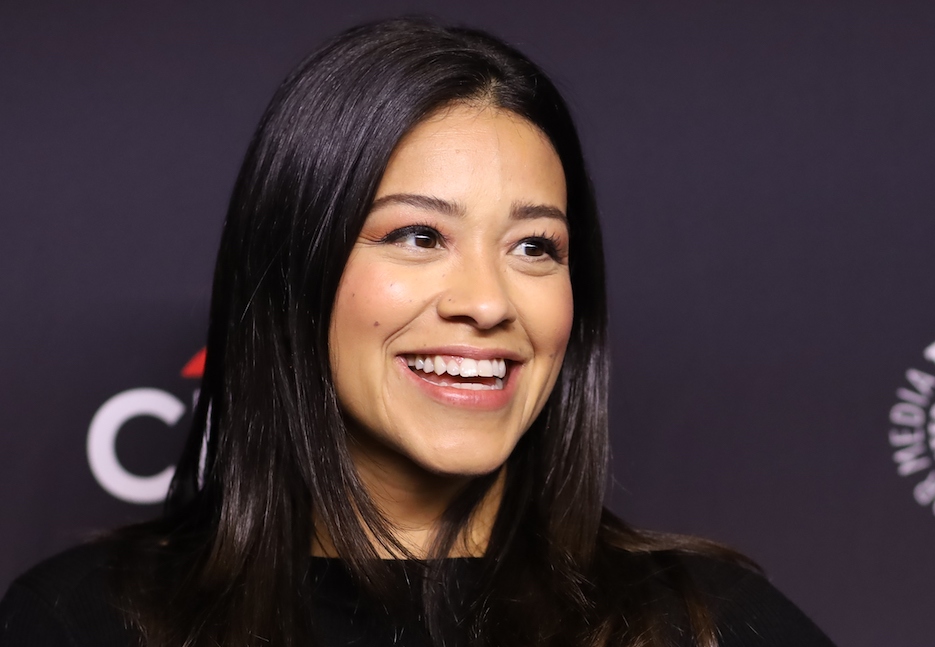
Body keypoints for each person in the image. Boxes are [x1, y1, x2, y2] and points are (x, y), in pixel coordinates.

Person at [0, 18, 834, 647]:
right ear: (295, 267)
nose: (486, 300)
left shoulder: (705, 623)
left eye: (533, 246)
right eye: (417, 235)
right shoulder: (83, 619)